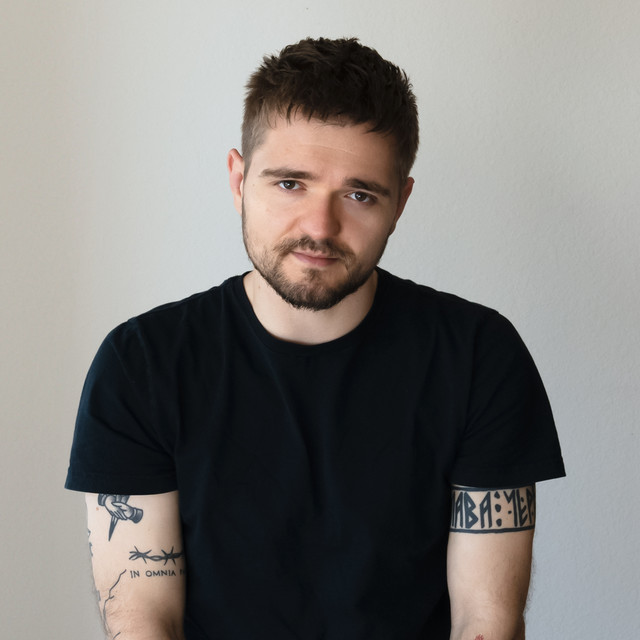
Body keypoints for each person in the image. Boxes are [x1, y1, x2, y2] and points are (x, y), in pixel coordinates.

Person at [65, 37, 565, 640]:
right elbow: (143, 619)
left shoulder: (479, 357)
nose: (320, 227)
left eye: (358, 194)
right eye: (289, 184)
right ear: (238, 180)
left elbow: (486, 621)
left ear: (400, 203)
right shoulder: (142, 365)